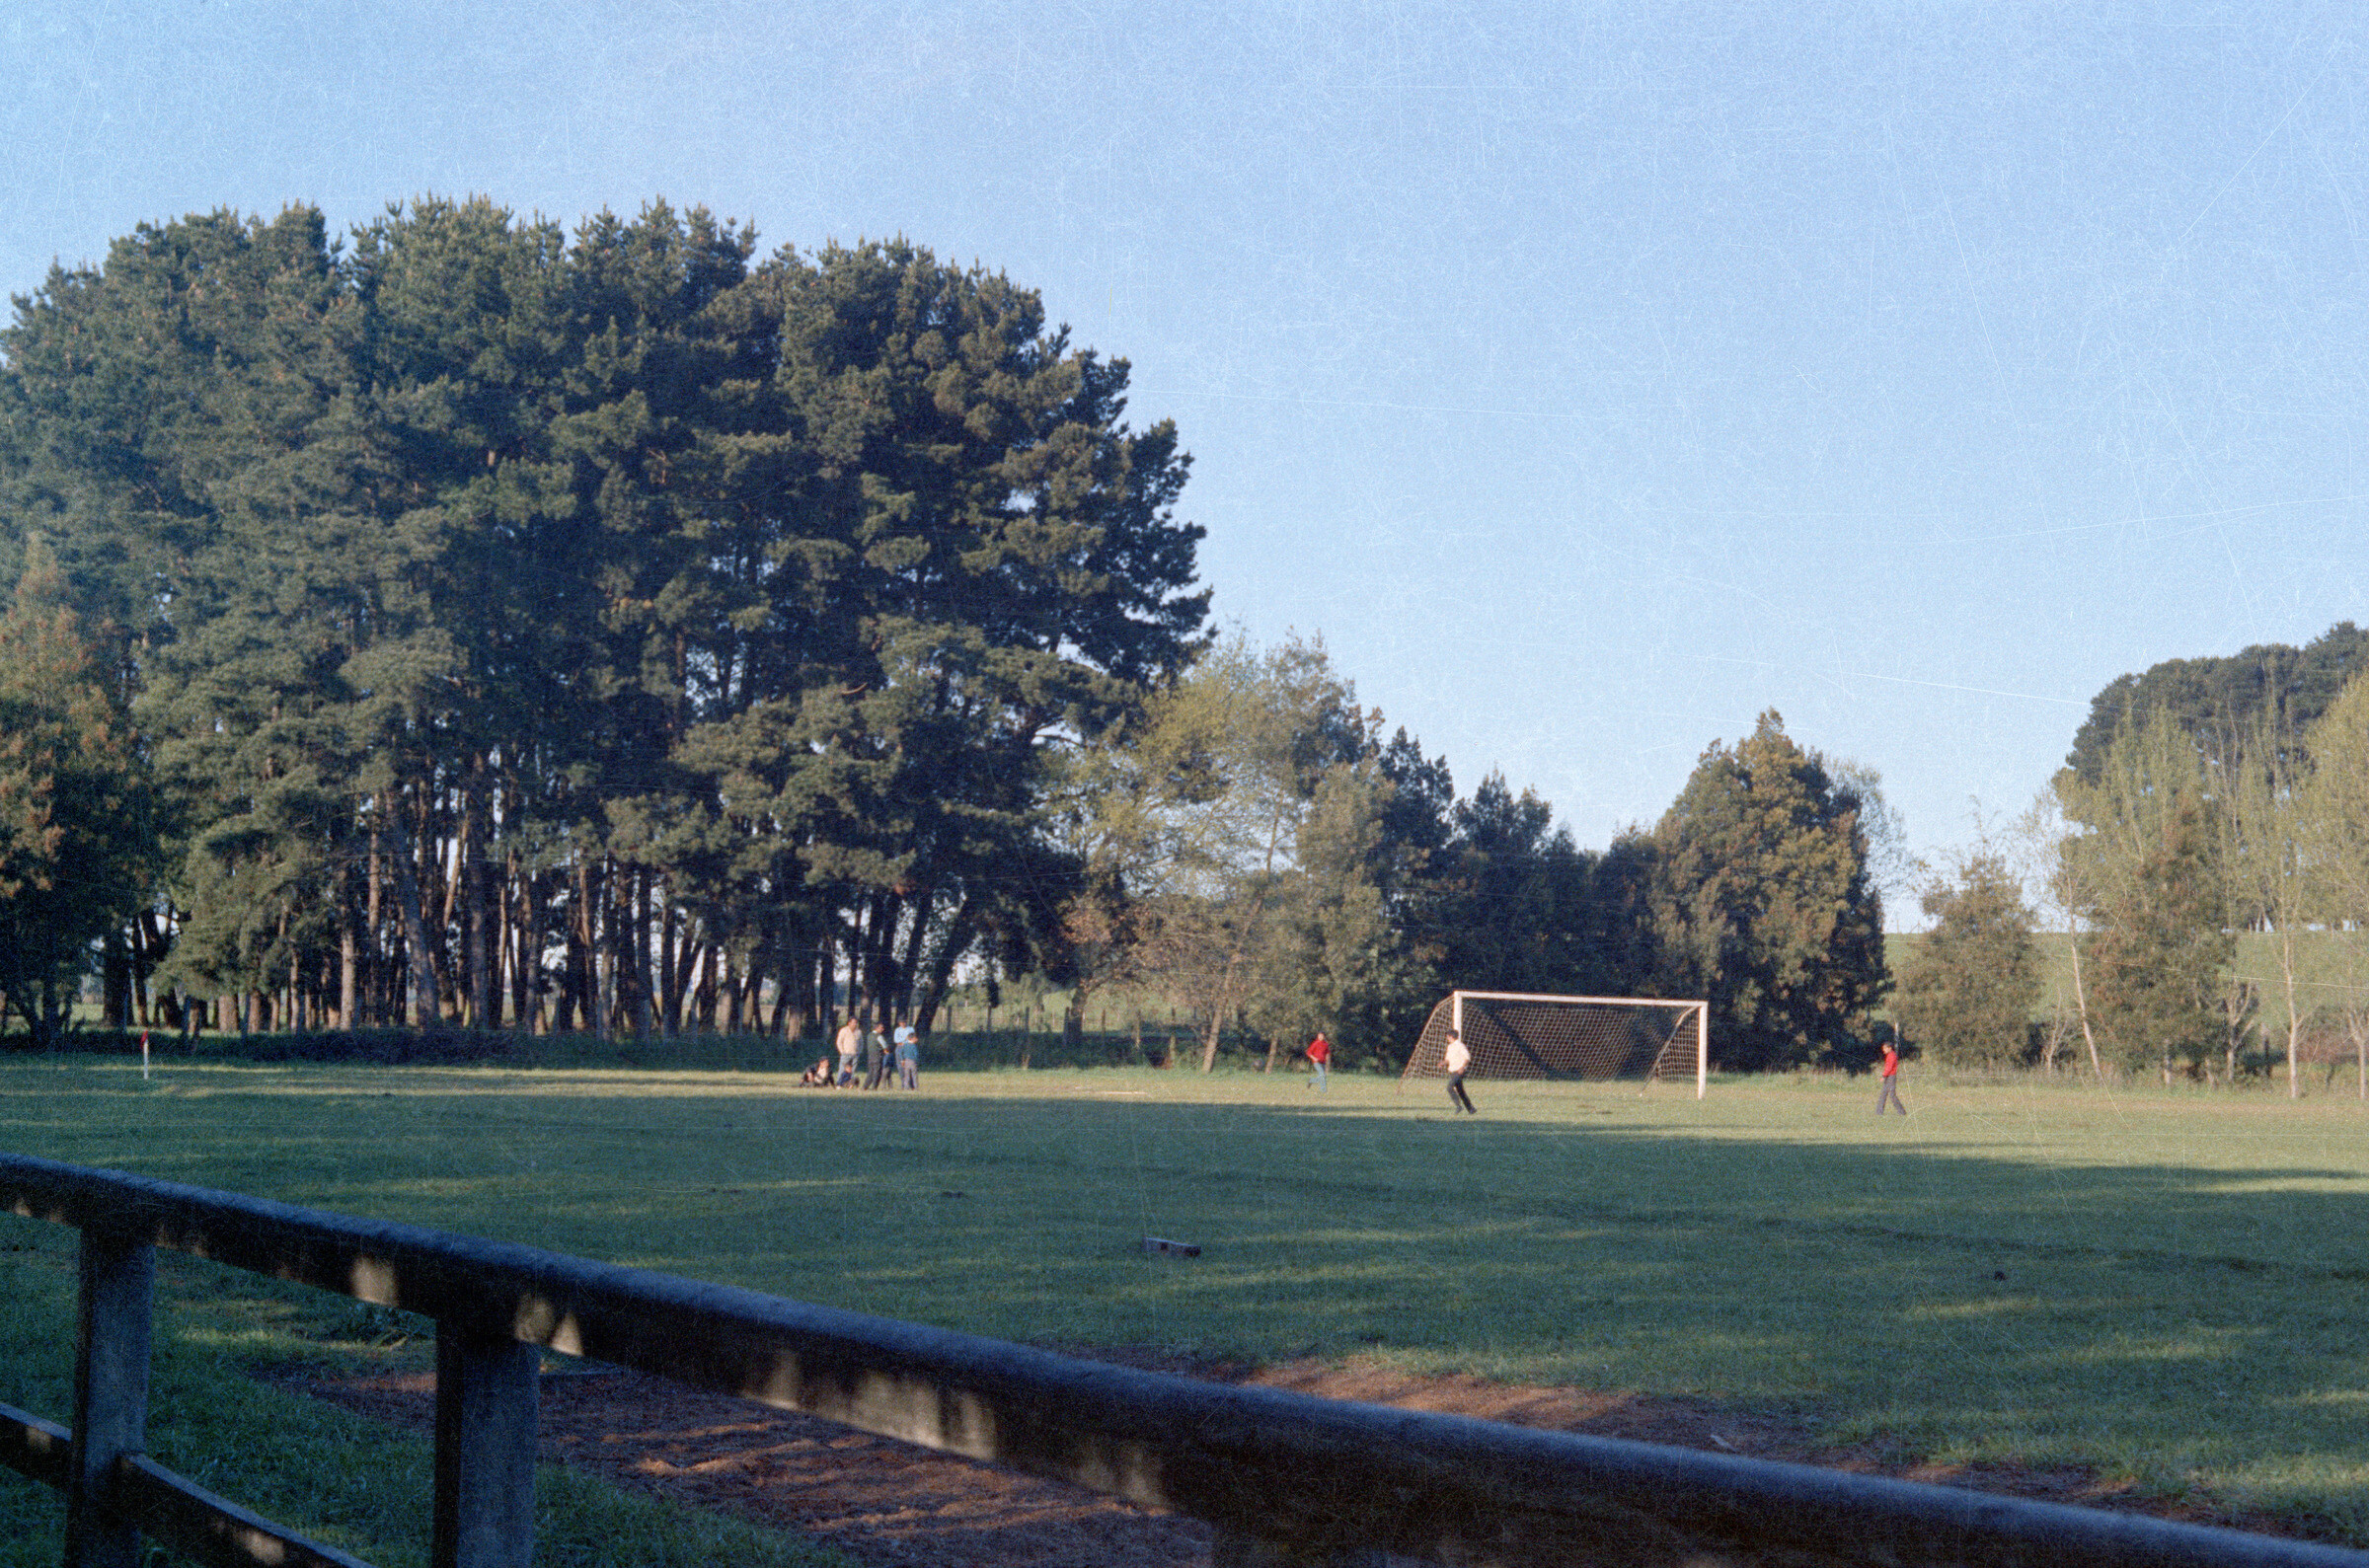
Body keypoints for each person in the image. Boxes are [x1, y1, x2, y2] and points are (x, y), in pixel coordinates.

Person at [1444, 1027, 1477, 1114]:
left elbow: (1467, 1057)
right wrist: (1443, 1062)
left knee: (1449, 1087)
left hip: (1459, 1071)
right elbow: (1448, 1059)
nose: (1447, 1038)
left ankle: (1458, 1106)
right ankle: (1471, 1109)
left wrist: (1462, 1067)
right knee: (1460, 1091)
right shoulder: (1450, 1047)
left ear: (1451, 1036)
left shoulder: (1460, 1046)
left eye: (1448, 1036)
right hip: (1452, 1071)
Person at [1875, 1035, 1907, 1115]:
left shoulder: (1892, 1056)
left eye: (1885, 1048)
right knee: (1883, 1094)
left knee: (1892, 1096)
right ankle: (1879, 1112)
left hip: (1891, 1077)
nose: (1883, 1050)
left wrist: (1883, 1076)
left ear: (1890, 1048)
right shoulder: (1889, 1055)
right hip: (1888, 1077)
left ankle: (1902, 1112)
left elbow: (1889, 1068)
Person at [834, 1013, 861, 1086]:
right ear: (849, 1023)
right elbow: (839, 1042)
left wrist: (859, 1051)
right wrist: (842, 1052)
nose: (855, 1024)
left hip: (855, 1054)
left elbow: (861, 1043)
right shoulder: (844, 1030)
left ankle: (849, 1084)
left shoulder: (858, 1032)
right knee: (842, 1069)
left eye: (856, 1022)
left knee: (853, 1070)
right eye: (853, 1022)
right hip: (846, 1054)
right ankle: (839, 1083)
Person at [863, 1018, 891, 1089]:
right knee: (877, 1072)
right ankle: (874, 1087)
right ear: (877, 1028)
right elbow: (885, 1046)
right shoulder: (879, 1036)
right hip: (878, 1056)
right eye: (881, 1028)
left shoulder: (869, 1035)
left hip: (870, 1056)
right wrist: (887, 1051)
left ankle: (865, 1086)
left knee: (870, 1072)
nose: (883, 1029)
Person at [894, 1022, 919, 1089]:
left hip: (906, 1061)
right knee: (914, 1075)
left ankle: (906, 1087)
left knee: (906, 1075)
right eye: (916, 1038)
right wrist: (917, 1060)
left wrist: (902, 1059)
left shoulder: (905, 1045)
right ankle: (915, 1087)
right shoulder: (913, 1046)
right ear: (912, 1039)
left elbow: (902, 1053)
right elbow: (916, 1054)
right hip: (912, 1061)